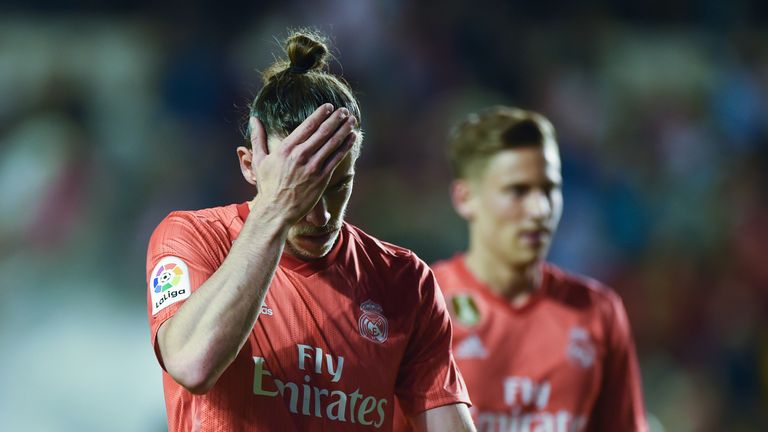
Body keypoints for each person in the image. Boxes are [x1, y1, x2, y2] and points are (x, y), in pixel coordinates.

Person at [145, 30, 475, 431]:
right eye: (300, 191)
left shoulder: (404, 280)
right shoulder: (194, 238)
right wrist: (275, 211)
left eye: (337, 187)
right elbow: (192, 363)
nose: (319, 216)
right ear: (250, 165)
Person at [399, 106, 648, 431]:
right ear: (465, 198)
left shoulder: (598, 312)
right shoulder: (424, 308)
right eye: (518, 191)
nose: (539, 209)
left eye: (549, 189)